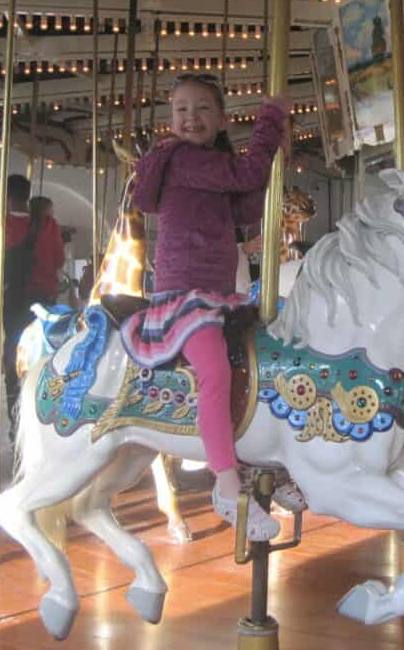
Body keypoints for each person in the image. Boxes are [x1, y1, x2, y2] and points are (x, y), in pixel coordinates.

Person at [125, 72, 290, 541]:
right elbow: (247, 172)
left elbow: (240, 209)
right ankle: (224, 484)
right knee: (216, 372)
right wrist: (271, 121)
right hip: (185, 293)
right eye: (181, 109)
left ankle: (276, 467)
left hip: (216, 290)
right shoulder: (179, 158)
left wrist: (268, 163)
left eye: (201, 110)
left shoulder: (206, 164)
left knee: (260, 360)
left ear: (219, 120)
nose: (190, 118)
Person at [0, 175, 66, 433]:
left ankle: (15, 418)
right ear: (27, 196)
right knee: (46, 355)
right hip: (44, 298)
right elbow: (60, 260)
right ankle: (46, 412)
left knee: (13, 354)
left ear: (6, 197)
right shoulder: (48, 225)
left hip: (13, 300)